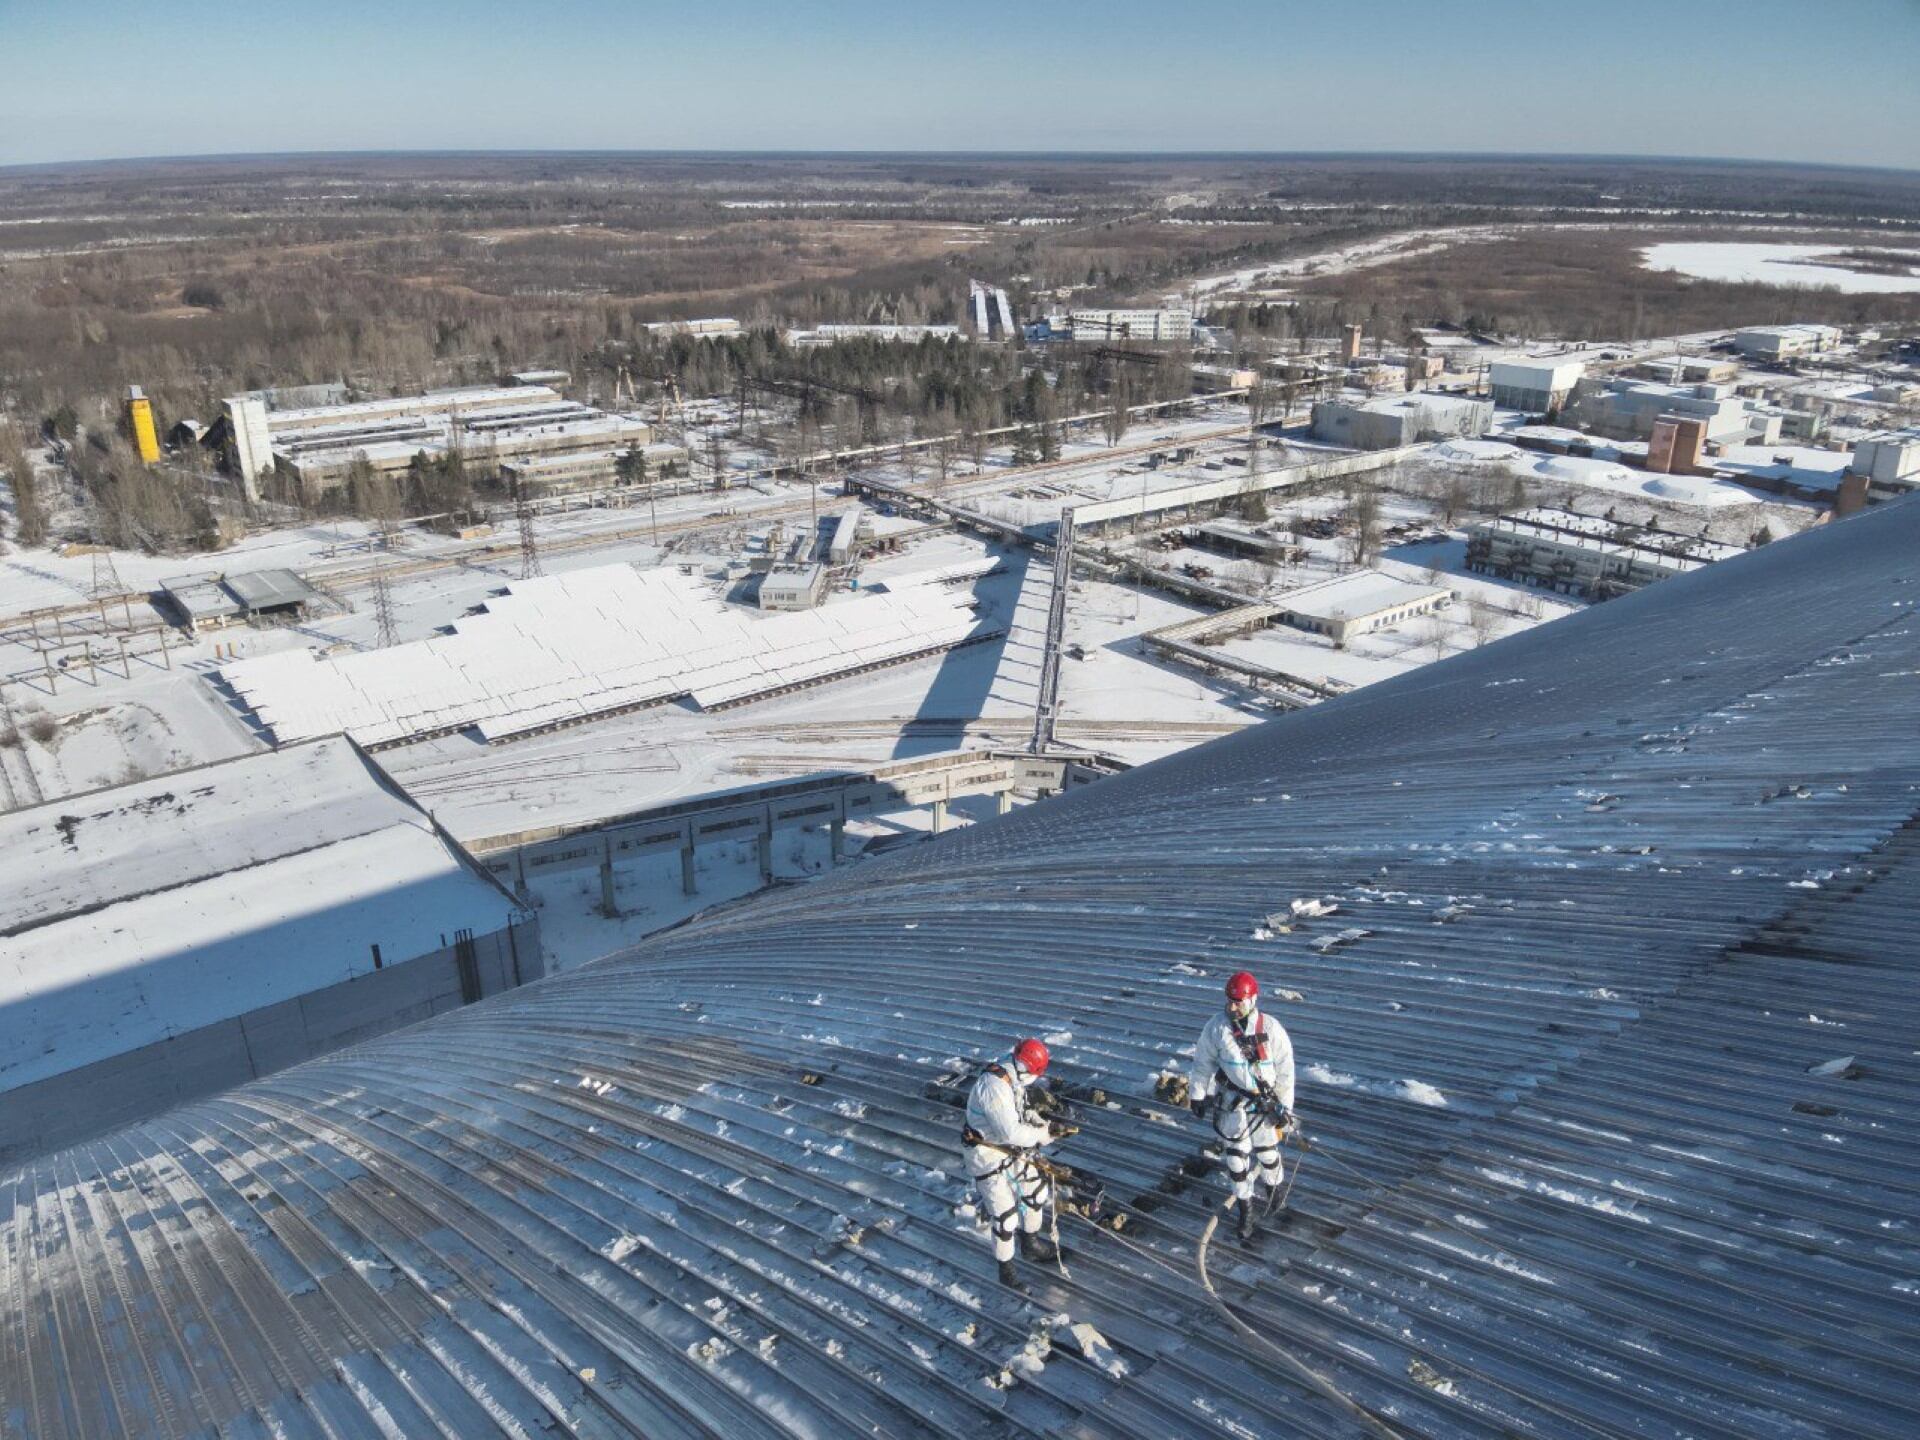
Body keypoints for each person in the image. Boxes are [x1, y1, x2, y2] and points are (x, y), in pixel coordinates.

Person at [1188, 971, 1296, 1242]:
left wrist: (1285, 1108)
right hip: (1233, 1105)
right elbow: (1202, 1063)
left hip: (1265, 1106)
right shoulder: (1217, 1027)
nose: (1232, 1006)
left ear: (1252, 1000)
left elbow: (1286, 1072)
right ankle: (1245, 1208)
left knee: (1268, 1155)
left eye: (1238, 1001)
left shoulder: (1271, 1029)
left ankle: (1275, 1195)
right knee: (1236, 1159)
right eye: (1230, 1001)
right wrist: (1197, 1095)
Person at [964, 1037, 1071, 1290]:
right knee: (1006, 1216)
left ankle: (1030, 1244)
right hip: (987, 1154)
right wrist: (1042, 1136)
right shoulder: (995, 1087)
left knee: (1035, 1191)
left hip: (1011, 1150)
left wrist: (1042, 1123)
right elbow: (1009, 1132)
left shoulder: (1012, 1075)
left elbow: (1019, 1111)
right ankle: (1006, 1270)